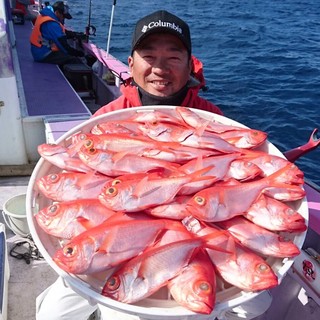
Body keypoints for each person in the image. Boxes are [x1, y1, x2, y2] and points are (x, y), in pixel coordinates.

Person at [36, 10, 272, 320]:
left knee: (258, 302)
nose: (160, 67)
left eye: (173, 57)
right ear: (131, 64)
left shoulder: (211, 120)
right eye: (149, 55)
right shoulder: (109, 119)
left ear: (190, 65)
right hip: (120, 233)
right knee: (53, 313)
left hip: (190, 235)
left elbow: (234, 172)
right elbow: (88, 178)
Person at [30, 1, 85, 65]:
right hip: (43, 54)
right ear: (57, 13)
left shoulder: (46, 15)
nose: (63, 19)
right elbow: (64, 47)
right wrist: (79, 54)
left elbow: (58, 33)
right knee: (74, 60)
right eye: (63, 16)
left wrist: (74, 34)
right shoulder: (51, 24)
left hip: (38, 50)